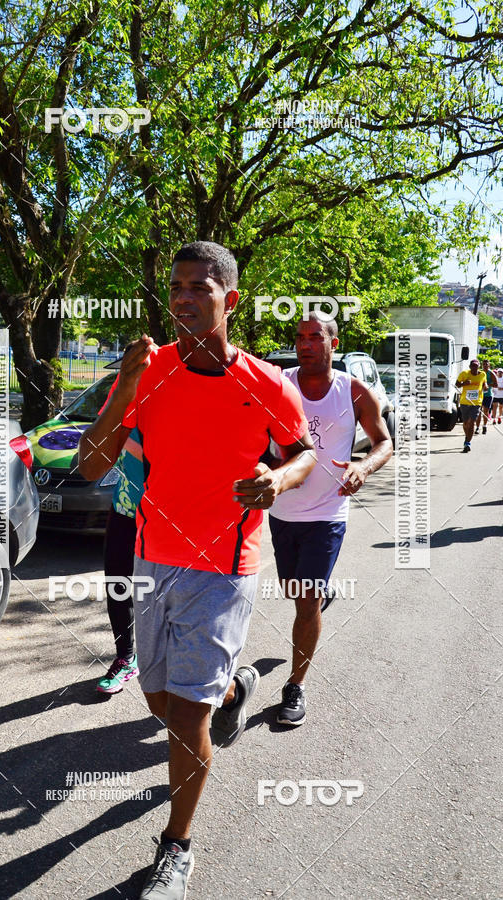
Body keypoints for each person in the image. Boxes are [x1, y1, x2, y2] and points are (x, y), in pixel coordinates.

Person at [78, 241, 316, 900]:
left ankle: (175, 845)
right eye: (176, 287)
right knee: (158, 702)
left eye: (199, 288)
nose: (183, 298)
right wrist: (125, 384)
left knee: (185, 720)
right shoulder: (146, 372)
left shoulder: (265, 382)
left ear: (229, 300)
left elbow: (303, 454)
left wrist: (278, 478)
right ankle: (234, 691)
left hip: (225, 566)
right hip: (152, 561)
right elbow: (92, 467)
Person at [267, 314, 393, 725]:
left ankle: (295, 686)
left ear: (333, 344)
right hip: (282, 509)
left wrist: (363, 468)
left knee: (304, 599)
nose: (306, 344)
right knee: (294, 589)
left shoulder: (354, 392)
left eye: (315, 337)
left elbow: (384, 442)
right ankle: (318, 597)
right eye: (300, 337)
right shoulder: (277, 382)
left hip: (327, 513)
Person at [95, 425, 143, 694]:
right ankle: (126, 658)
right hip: (124, 506)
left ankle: (173, 663)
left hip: (168, 513)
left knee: (168, 591)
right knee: (117, 584)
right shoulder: (126, 392)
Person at [455, 359, 486, 452]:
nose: (474, 368)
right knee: (465, 423)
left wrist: (486, 386)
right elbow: (457, 384)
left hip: (476, 403)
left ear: (479, 366)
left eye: (476, 366)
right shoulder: (464, 374)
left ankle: (467, 443)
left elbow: (484, 383)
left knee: (472, 422)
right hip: (465, 402)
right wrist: (464, 383)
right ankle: (467, 436)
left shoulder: (482, 374)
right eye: (473, 366)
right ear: (470, 367)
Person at [475, 359, 496, 435]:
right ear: (482, 365)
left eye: (486, 365)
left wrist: (488, 385)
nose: (485, 366)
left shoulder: (491, 373)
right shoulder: (479, 373)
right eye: (484, 364)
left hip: (488, 395)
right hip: (479, 395)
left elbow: (496, 384)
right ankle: (477, 427)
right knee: (478, 412)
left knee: (486, 411)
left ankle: (484, 426)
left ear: (489, 365)